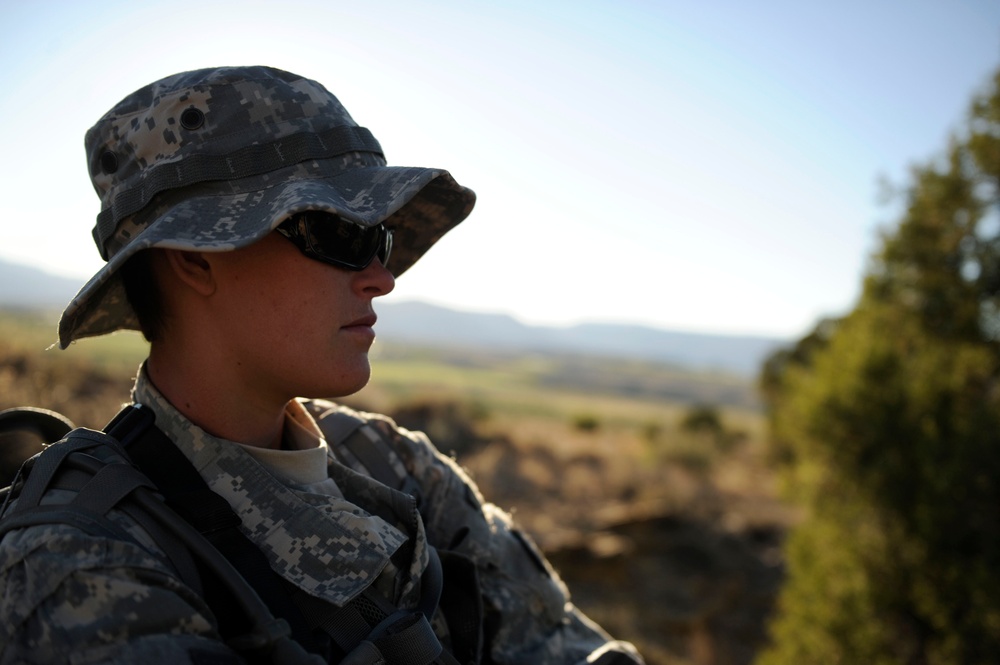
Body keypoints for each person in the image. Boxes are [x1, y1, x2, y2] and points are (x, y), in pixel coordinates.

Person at [0, 66, 643, 665]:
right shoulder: (81, 555)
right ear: (194, 257)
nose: (381, 278)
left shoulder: (385, 458)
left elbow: (560, 644)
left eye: (381, 237)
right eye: (338, 233)